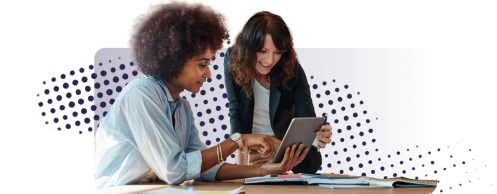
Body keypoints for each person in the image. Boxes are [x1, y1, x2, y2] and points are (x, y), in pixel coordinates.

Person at [94, 0, 308, 190]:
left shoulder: (182, 108)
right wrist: (239, 140)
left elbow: (206, 168)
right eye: (202, 65)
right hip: (114, 189)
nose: (208, 73)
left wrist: (264, 171)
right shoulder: (141, 93)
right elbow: (175, 170)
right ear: (175, 59)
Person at [223, 10, 334, 173]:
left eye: (277, 52)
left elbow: (306, 115)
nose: (270, 60)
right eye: (262, 51)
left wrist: (316, 137)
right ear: (248, 47)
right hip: (255, 154)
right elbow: (237, 114)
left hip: (292, 156)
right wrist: (241, 171)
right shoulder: (234, 59)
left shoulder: (289, 63)